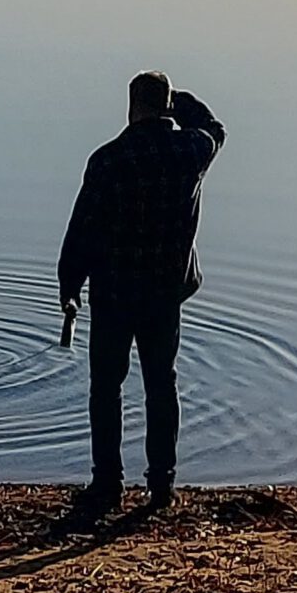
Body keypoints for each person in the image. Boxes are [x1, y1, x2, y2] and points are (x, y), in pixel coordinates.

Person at [56, 70, 226, 519]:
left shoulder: (108, 160)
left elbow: (83, 229)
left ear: (131, 105)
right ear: (166, 106)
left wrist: (68, 283)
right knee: (161, 385)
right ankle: (161, 485)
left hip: (113, 294)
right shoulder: (189, 153)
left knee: (106, 389)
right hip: (164, 294)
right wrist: (182, 103)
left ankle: (107, 484)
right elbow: (215, 129)